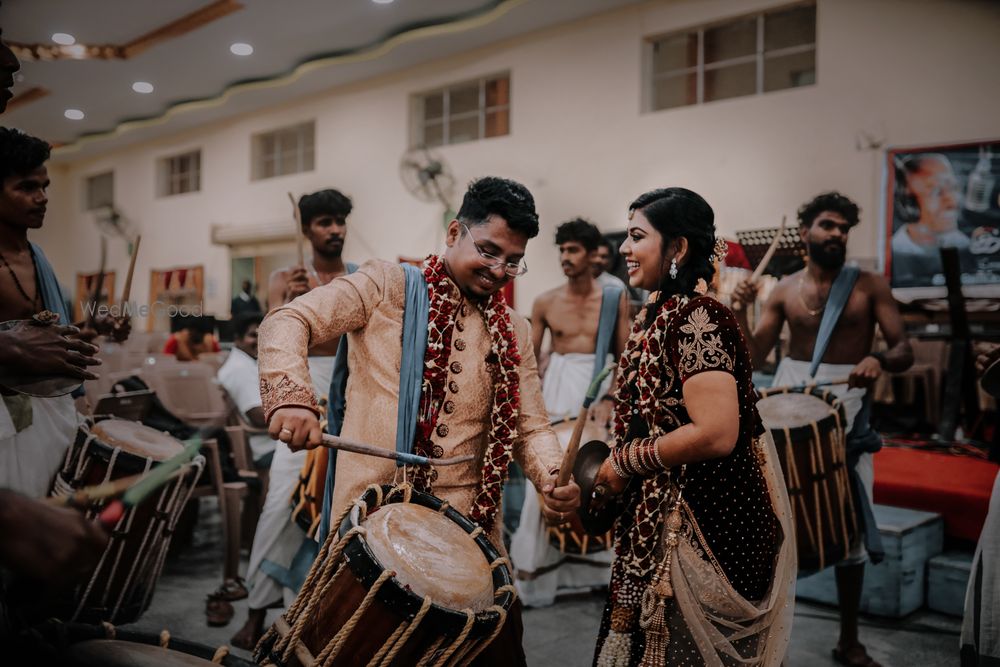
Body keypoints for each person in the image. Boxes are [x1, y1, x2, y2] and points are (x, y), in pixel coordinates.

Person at [258, 176, 580, 665]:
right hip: (373, 532)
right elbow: (289, 321)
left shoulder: (515, 329)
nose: (498, 270)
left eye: (513, 261)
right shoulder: (386, 286)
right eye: (488, 251)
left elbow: (531, 428)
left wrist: (552, 476)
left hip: (473, 544)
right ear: (454, 233)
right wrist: (291, 398)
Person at [589, 187, 793, 665]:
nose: (623, 248)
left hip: (706, 521)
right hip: (660, 510)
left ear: (678, 248)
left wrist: (625, 460)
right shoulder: (658, 312)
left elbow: (716, 432)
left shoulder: (698, 318)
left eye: (637, 236)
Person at [732, 191, 914, 667]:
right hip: (789, 409)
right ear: (805, 231)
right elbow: (751, 358)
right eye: (828, 225)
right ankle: (766, 635)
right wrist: (738, 312)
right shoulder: (785, 290)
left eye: (843, 228)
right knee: (772, 525)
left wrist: (877, 358)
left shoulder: (869, 285)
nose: (837, 234)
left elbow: (904, 351)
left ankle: (849, 640)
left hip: (848, 408)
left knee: (850, 524)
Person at [230, 188, 356, 649]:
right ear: (306, 229)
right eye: (325, 221)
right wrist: (288, 303)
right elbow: (271, 338)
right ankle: (256, 611)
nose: (335, 229)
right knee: (280, 503)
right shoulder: (286, 276)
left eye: (340, 220)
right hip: (298, 394)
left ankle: (314, 611)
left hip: (346, 400)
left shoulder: (357, 278)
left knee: (335, 508)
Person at [510, 217, 628, 607]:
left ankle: (591, 574)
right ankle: (540, 577)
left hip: (597, 395)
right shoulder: (544, 301)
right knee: (549, 477)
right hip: (558, 395)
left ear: (594, 254)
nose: (565, 256)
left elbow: (625, 357)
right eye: (562, 249)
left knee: (596, 480)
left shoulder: (614, 298)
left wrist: (610, 399)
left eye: (573, 249)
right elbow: (532, 362)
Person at [891, 154, 970, 286]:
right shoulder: (895, 251)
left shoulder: (966, 245)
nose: (953, 201)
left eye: (953, 188)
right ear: (909, 204)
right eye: (936, 191)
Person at [217, 312, 273, 464]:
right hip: (264, 447)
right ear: (237, 338)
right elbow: (258, 416)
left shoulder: (246, 362)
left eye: (263, 335)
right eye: (253, 335)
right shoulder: (239, 368)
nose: (260, 340)